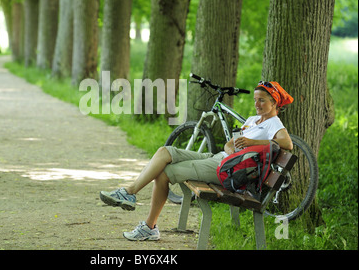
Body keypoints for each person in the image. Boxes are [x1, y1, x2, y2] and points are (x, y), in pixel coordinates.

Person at [99, 80, 294, 241]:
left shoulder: (273, 123)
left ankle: (149, 226)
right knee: (165, 151)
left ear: (274, 103)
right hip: (221, 158)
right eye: (255, 100)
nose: (257, 105)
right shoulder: (252, 119)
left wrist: (251, 141)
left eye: (262, 101)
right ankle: (130, 192)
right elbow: (229, 145)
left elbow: (287, 143)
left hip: (227, 170)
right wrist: (233, 146)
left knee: (165, 173)